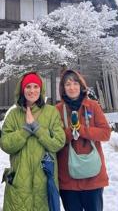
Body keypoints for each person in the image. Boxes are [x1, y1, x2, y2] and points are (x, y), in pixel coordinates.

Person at [0, 72, 65, 211]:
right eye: (28, 86)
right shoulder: (13, 115)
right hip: (19, 184)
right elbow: (5, 144)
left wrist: (36, 128)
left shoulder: (51, 112)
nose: (32, 90)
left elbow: (58, 142)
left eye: (36, 86)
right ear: (22, 90)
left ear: (41, 90)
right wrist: (25, 130)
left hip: (44, 183)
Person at [56, 69, 111, 211]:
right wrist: (69, 133)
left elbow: (105, 133)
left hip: (93, 177)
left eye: (75, 83)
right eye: (68, 84)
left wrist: (81, 130)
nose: (72, 87)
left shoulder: (92, 106)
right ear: (63, 88)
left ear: (81, 86)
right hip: (67, 178)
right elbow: (54, 140)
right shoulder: (57, 110)